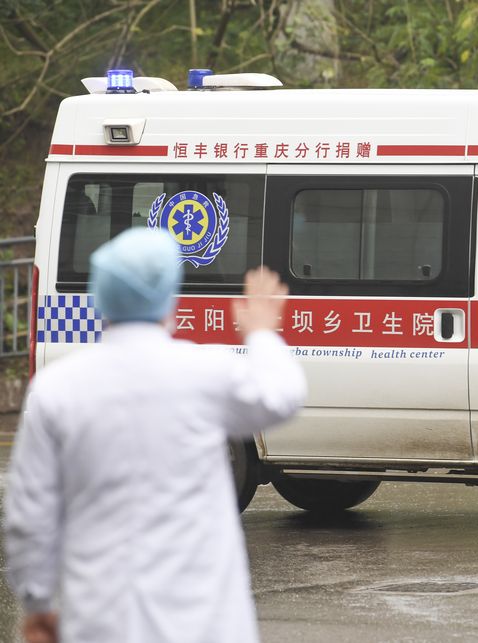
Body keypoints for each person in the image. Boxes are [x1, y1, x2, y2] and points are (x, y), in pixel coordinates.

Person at [3, 228, 306, 643]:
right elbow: (283, 395)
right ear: (170, 298)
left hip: (98, 622)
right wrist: (261, 331)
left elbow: (30, 515)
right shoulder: (205, 372)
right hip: (205, 623)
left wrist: (37, 603)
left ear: (100, 297)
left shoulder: (56, 389)